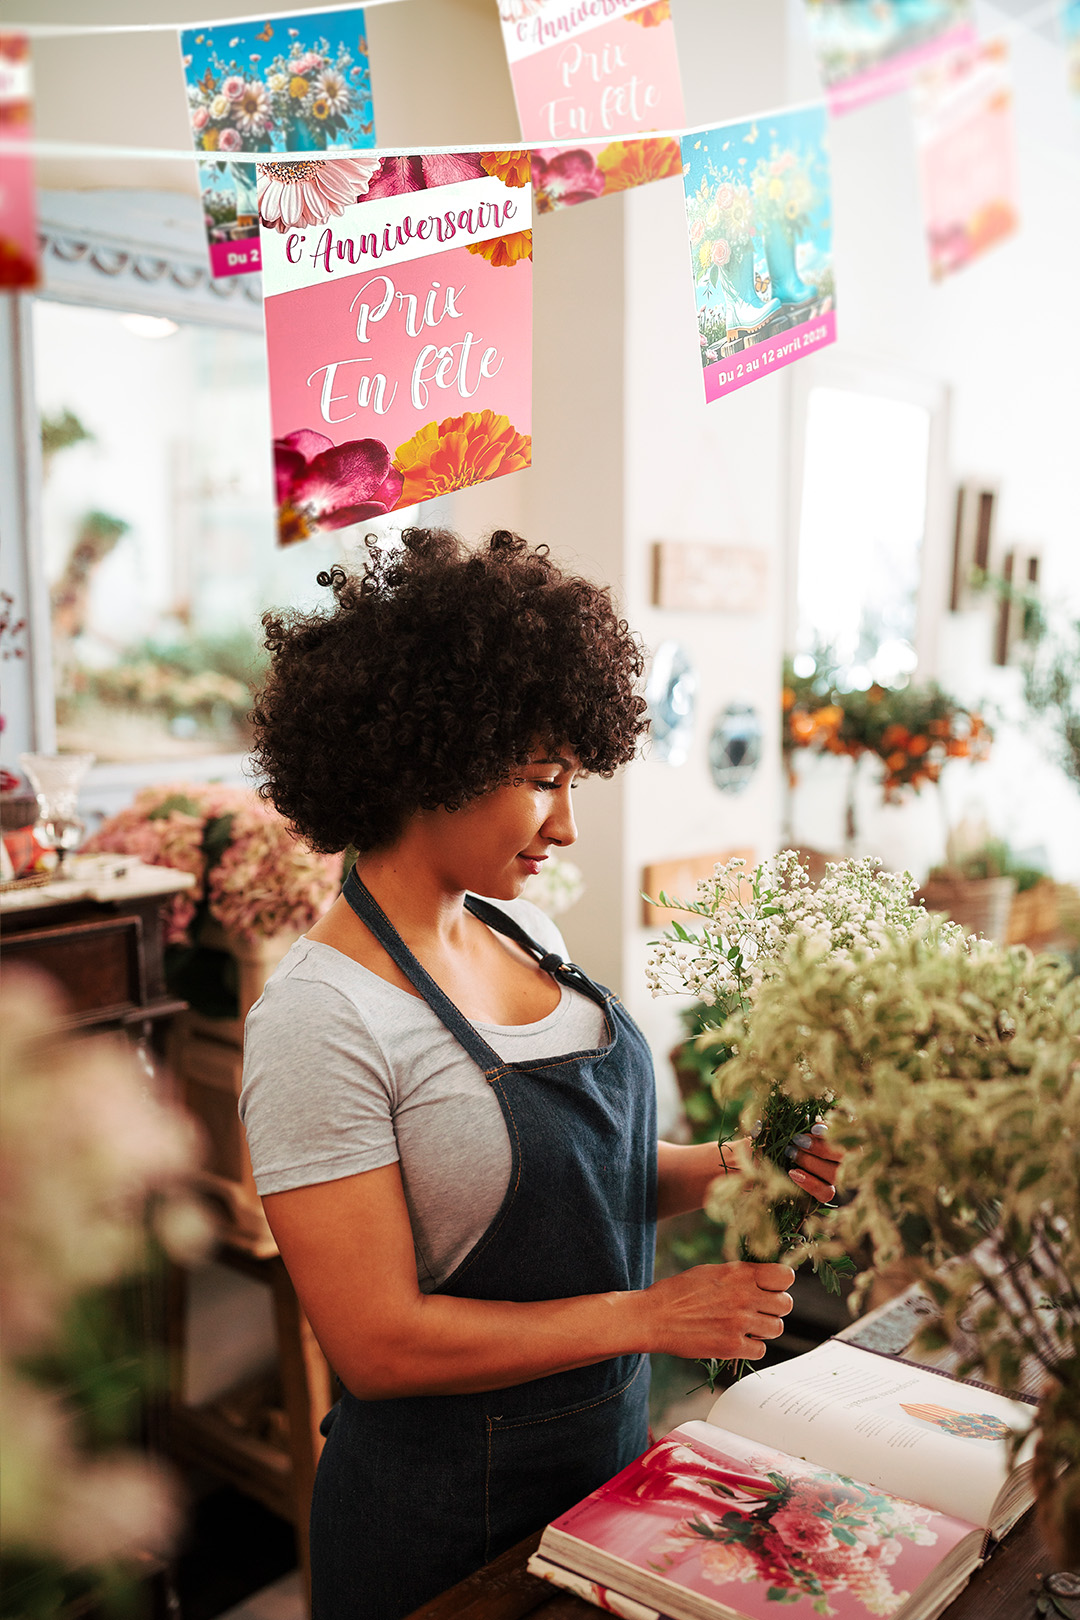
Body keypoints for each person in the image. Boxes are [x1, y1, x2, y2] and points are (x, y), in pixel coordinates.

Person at [239, 528, 841, 1620]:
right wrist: (655, 1318)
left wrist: (741, 1163)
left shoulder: (519, 932)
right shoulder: (319, 1020)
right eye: (542, 781)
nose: (565, 824)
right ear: (435, 758)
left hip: (605, 1471)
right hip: (438, 1529)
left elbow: (588, 1180)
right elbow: (375, 1344)